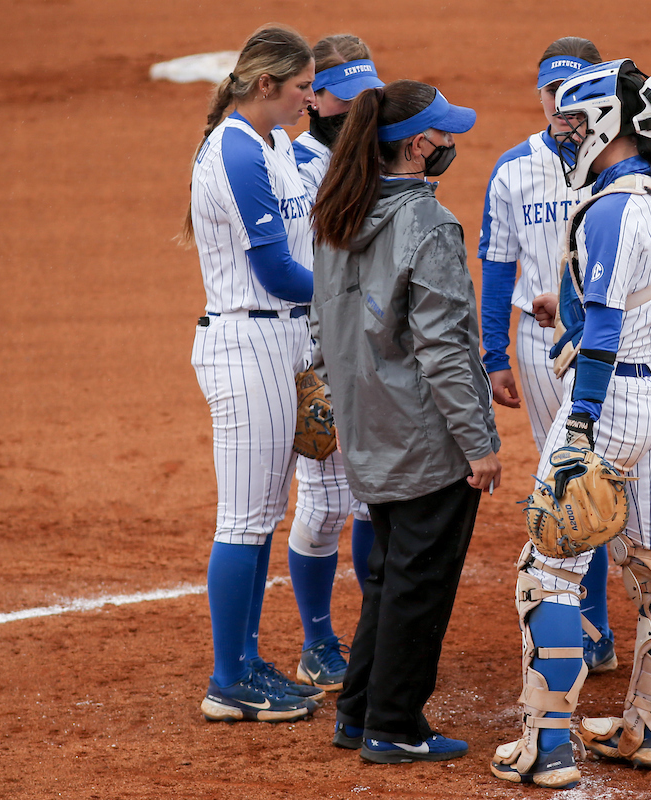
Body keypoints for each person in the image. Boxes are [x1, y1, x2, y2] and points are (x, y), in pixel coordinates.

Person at [490, 59, 651, 789]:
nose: (568, 131)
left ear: (612, 125)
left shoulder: (611, 206)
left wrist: (579, 423)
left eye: (580, 122)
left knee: (547, 572)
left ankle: (546, 748)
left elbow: (607, 326)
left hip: (609, 401)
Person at [308, 79, 501, 763]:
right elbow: (444, 348)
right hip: (426, 440)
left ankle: (359, 713)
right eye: (443, 134)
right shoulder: (429, 225)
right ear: (420, 145)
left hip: (368, 429)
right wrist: (478, 445)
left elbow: (319, 328)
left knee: (389, 578)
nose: (451, 143)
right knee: (418, 587)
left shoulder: (335, 213)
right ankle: (394, 725)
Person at [183, 24, 325, 723]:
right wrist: (350, 291)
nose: (309, 99)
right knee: (243, 520)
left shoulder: (270, 144)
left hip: (278, 341)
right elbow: (274, 270)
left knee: (264, 514)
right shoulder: (236, 152)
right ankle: (227, 679)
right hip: (249, 345)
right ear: (266, 85)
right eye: (301, 87)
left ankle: (245, 662)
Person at [286, 33, 385, 694]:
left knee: (377, 499)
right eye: (340, 101)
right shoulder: (292, 168)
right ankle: (318, 639)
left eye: (362, 102)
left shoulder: (383, 157)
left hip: (374, 348)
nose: (354, 115)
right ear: (312, 99)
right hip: (316, 346)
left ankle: (377, 632)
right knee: (324, 502)